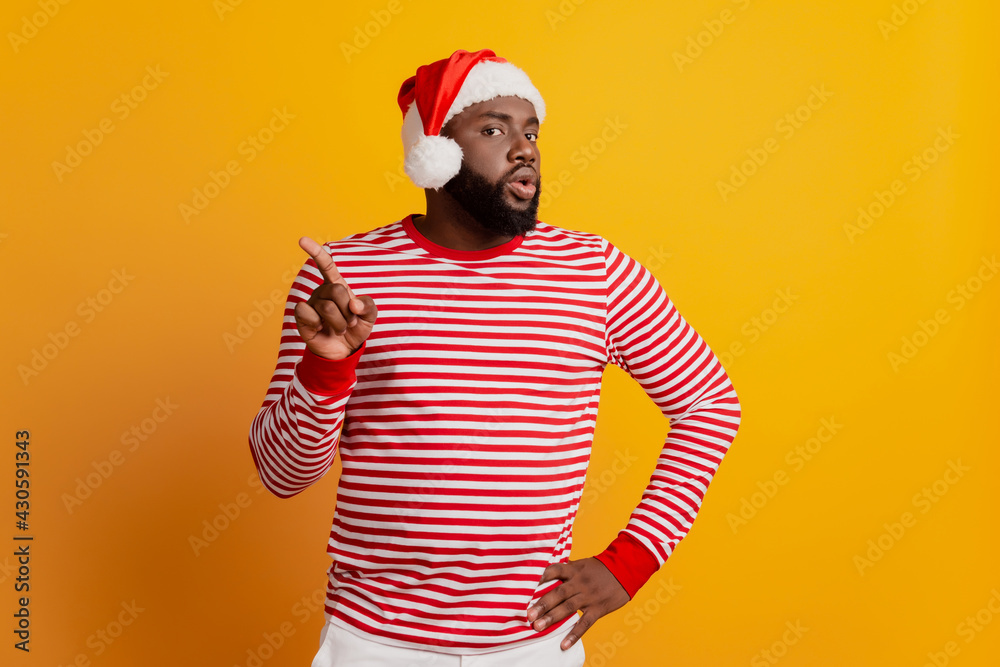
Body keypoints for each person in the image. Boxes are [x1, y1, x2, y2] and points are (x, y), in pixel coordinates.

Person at [247, 48, 742, 667]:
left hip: (532, 645)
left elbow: (710, 403)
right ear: (436, 151)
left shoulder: (596, 273)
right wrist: (325, 364)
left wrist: (633, 558)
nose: (525, 147)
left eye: (530, 131)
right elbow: (281, 474)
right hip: (371, 643)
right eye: (493, 129)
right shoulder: (345, 279)